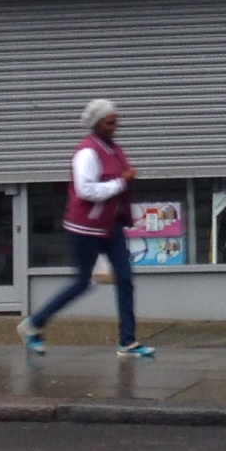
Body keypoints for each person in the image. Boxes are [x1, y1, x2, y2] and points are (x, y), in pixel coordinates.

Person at [18, 99, 157, 358]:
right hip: (84, 227)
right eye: (109, 121)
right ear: (97, 123)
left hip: (110, 225)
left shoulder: (113, 149)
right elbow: (86, 190)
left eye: (116, 120)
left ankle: (128, 342)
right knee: (82, 282)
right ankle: (33, 325)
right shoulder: (87, 152)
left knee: (125, 279)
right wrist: (121, 182)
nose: (115, 125)